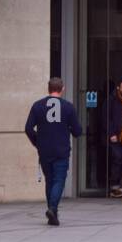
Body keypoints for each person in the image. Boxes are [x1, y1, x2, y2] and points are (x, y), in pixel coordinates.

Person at [25, 78, 82, 226]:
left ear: (48, 89)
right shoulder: (68, 107)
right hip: (61, 149)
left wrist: (37, 142)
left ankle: (53, 214)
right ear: (62, 89)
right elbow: (77, 131)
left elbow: (28, 128)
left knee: (49, 181)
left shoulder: (37, 106)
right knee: (59, 180)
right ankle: (52, 208)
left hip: (44, 150)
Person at [105, 80, 122, 198]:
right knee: (117, 160)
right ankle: (114, 187)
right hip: (115, 136)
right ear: (118, 88)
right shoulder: (111, 101)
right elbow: (106, 118)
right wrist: (111, 133)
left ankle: (116, 186)